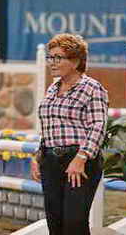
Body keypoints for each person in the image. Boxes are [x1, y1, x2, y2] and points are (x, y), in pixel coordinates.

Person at [31, 34, 108, 235]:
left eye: (58, 58)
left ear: (75, 61)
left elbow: (98, 125)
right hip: (50, 162)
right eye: (50, 57)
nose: (52, 63)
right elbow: (50, 126)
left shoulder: (92, 88)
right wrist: (39, 154)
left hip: (79, 162)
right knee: (55, 224)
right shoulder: (51, 89)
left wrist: (80, 158)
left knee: (74, 225)